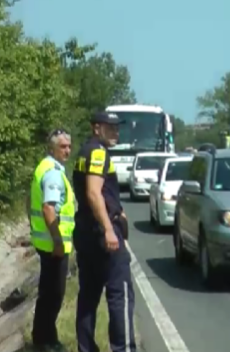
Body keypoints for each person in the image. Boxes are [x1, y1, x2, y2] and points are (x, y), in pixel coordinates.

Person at [73, 111, 136, 352]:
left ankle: (85, 347)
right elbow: (93, 192)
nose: (116, 132)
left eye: (117, 127)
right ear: (96, 128)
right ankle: (123, 349)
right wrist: (109, 228)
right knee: (120, 294)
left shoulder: (84, 150)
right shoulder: (98, 152)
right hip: (102, 232)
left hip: (86, 232)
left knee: (88, 296)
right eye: (110, 127)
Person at [30, 128, 75, 352]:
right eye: (62, 146)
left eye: (69, 146)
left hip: (47, 244)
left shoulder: (46, 167)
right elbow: (49, 208)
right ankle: (45, 340)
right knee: (54, 296)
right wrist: (58, 241)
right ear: (52, 148)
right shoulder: (53, 173)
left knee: (47, 294)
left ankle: (43, 337)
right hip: (53, 246)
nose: (67, 150)